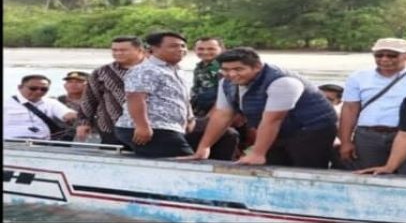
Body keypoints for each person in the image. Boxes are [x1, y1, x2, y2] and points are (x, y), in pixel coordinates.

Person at [181, 47, 337, 168]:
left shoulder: (282, 82)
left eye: (238, 69)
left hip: (312, 128)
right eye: (226, 70)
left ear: (257, 67)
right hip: (277, 129)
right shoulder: (226, 82)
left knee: (305, 166)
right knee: (273, 165)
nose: (232, 75)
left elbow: (273, 120)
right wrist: (204, 148)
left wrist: (257, 153)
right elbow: (222, 115)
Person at [338, 38, 406, 174]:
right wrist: (345, 142)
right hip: (368, 136)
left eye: (392, 55)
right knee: (369, 176)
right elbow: (349, 109)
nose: (384, 59)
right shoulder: (358, 77)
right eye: (379, 55)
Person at [114, 32, 195, 157]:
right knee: (184, 160)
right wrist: (142, 126)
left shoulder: (177, 70)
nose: (180, 49)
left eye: (183, 46)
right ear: (154, 48)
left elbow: (180, 97)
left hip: (171, 127)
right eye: (173, 46)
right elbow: (135, 98)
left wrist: (190, 117)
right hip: (152, 128)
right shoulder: (146, 69)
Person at [77, 36, 146, 145]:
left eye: (123, 50)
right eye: (114, 50)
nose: (118, 53)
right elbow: (89, 98)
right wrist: (84, 123)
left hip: (149, 127)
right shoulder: (102, 72)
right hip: (111, 127)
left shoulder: (154, 71)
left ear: (140, 50)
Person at [4, 75, 76, 140]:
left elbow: (67, 113)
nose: (38, 92)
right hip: (10, 143)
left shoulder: (51, 103)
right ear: (20, 87)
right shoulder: (6, 103)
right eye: (33, 88)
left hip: (42, 144)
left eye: (44, 89)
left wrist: (75, 117)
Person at [190, 36, 224, 117]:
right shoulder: (199, 67)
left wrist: (209, 116)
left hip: (217, 113)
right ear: (195, 50)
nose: (205, 52)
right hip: (199, 109)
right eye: (200, 49)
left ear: (221, 49)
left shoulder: (222, 68)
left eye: (211, 49)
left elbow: (226, 96)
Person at [56, 71, 90, 141]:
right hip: (58, 137)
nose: (73, 85)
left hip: (86, 138)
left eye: (79, 82)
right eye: (70, 82)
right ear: (65, 85)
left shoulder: (97, 103)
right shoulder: (56, 101)